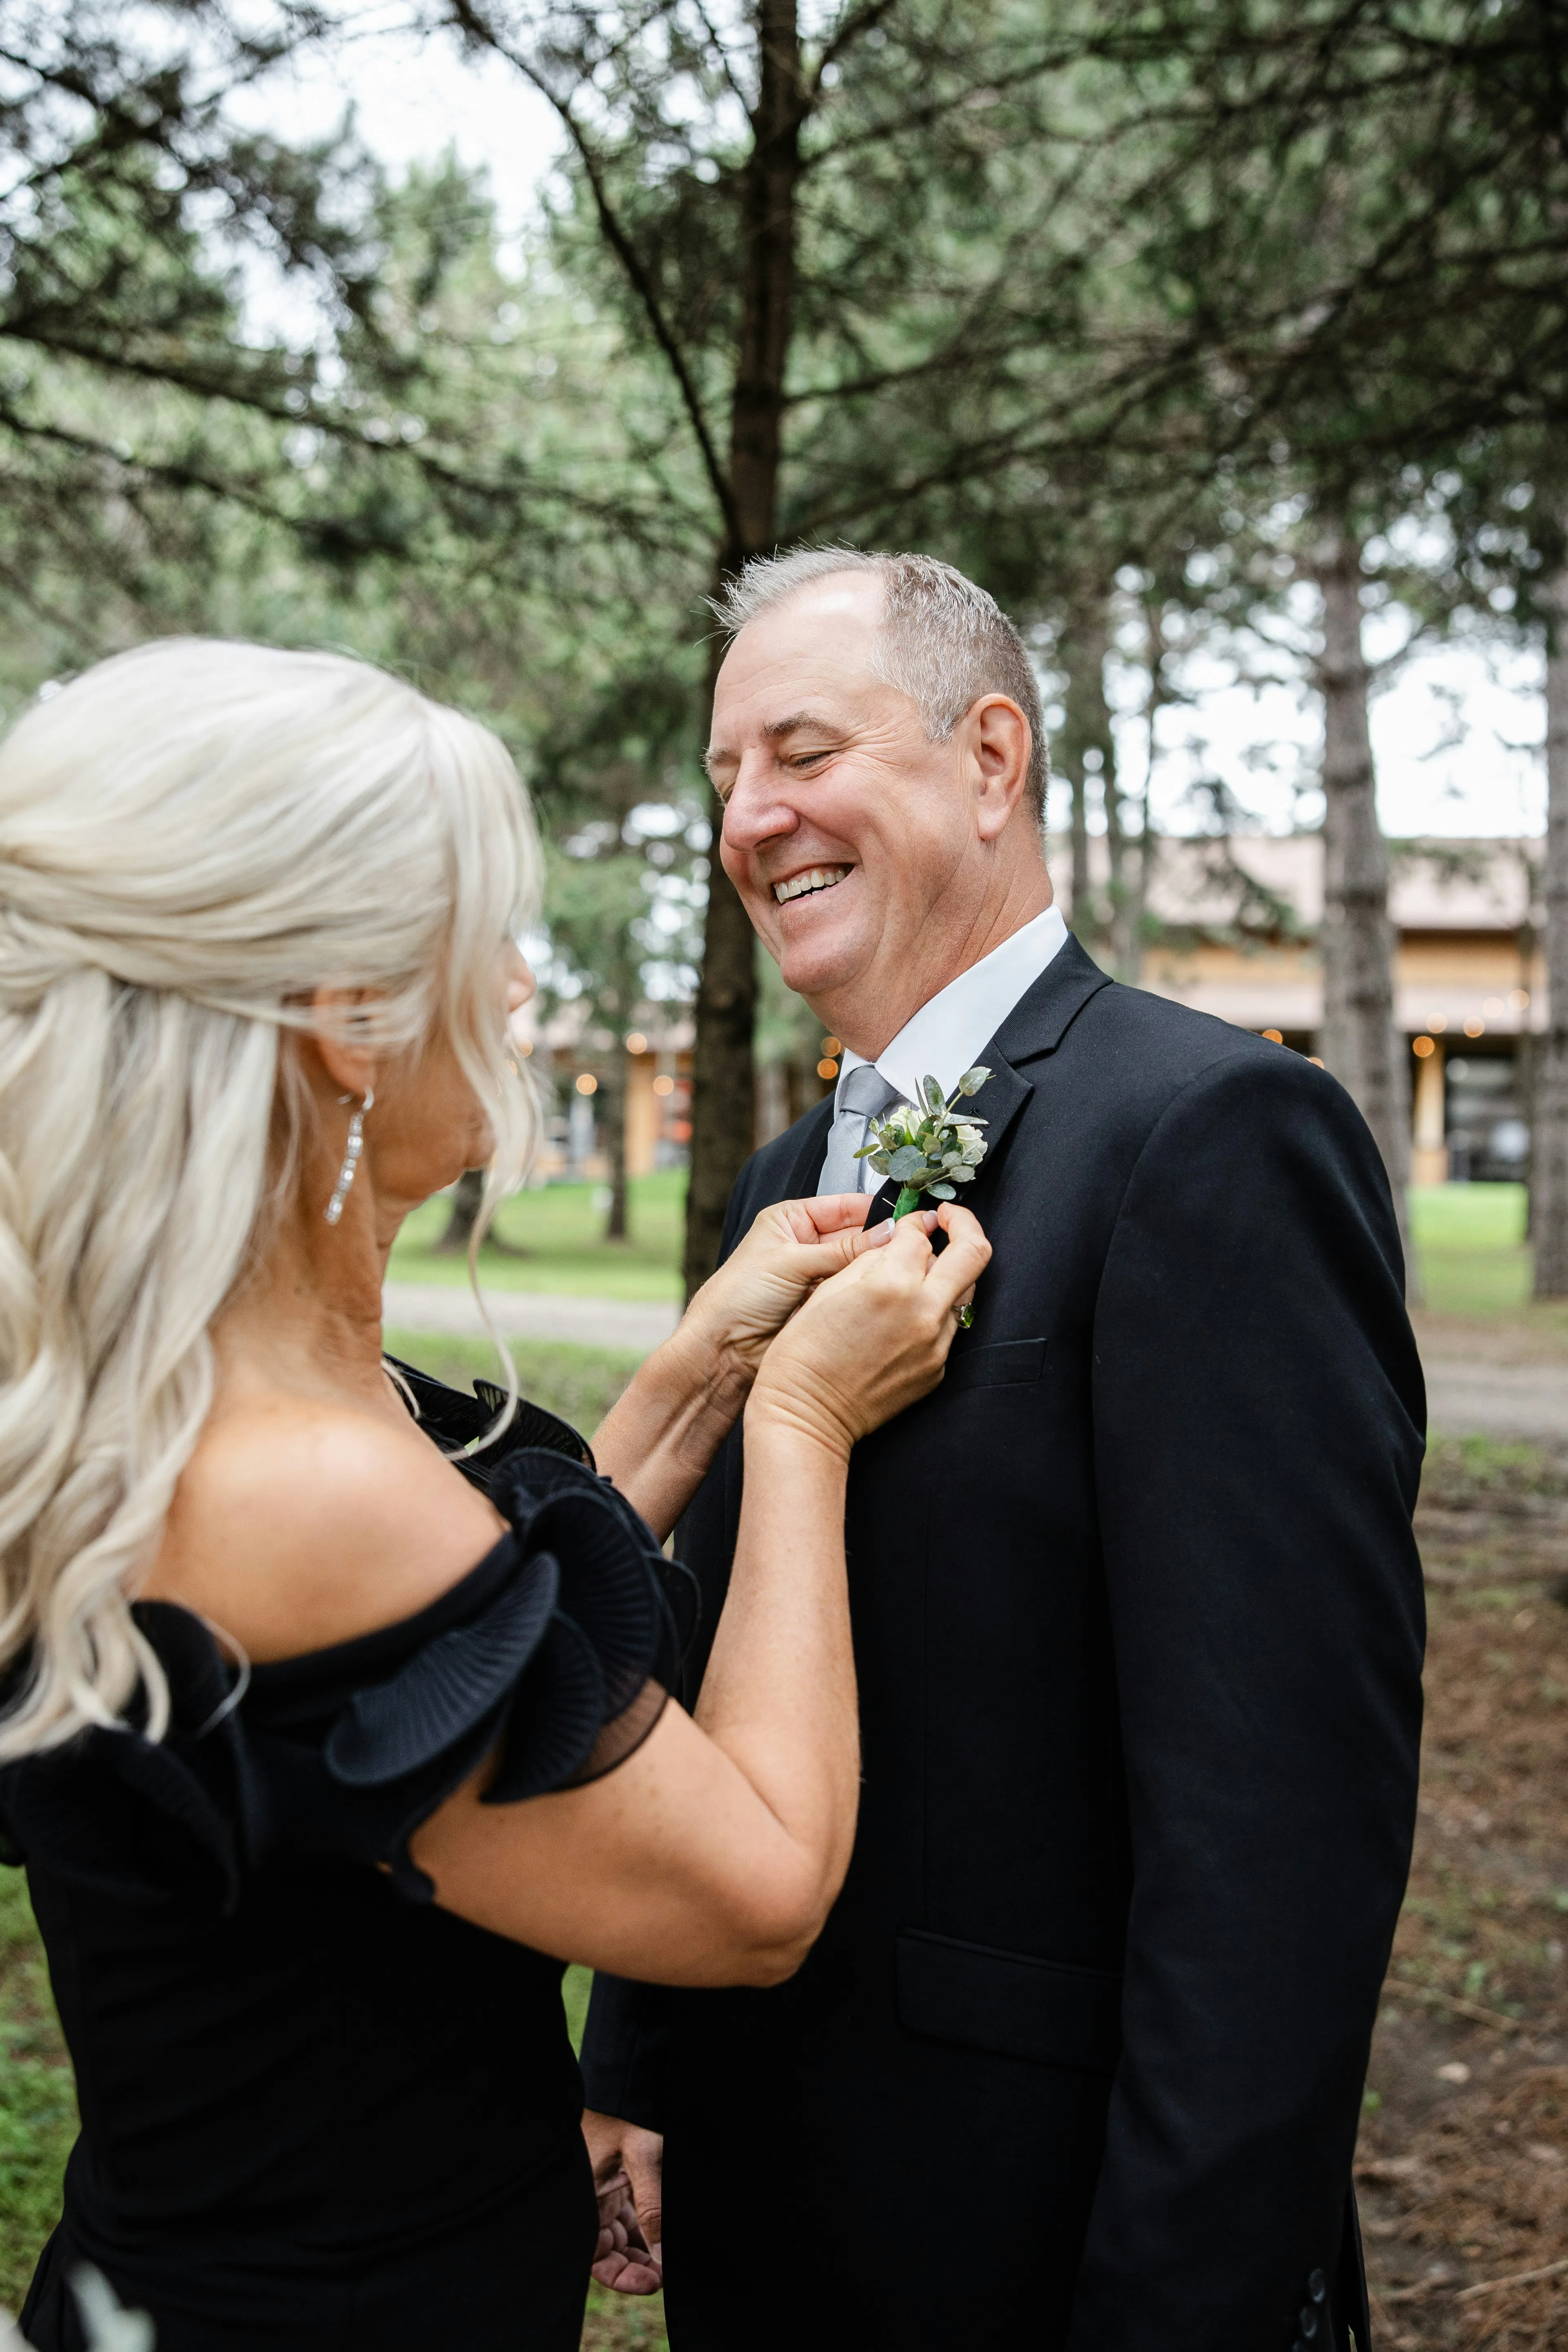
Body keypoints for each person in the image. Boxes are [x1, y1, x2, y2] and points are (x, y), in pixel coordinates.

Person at [0, 638, 990, 2352]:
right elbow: (752, 1887)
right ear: (343, 1011)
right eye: (489, 937)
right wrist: (810, 1423)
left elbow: (437, 1691)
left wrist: (687, 1384)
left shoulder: (164, 1401)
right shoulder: (300, 1483)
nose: (522, 989)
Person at [581, 549, 1427, 2351]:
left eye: (801, 750)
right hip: (765, 2187)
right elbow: (716, 1606)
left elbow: (1281, 1831)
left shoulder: (1210, 1135)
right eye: (726, 775)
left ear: (989, 758)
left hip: (1042, 2222)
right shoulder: (776, 1186)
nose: (751, 818)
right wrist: (646, 2052)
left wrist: (1179, 2298)